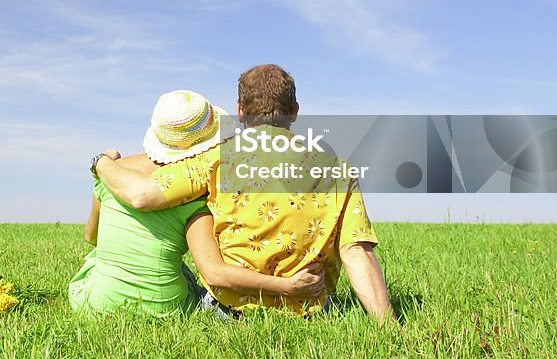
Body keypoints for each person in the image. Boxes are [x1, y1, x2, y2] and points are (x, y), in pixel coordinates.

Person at [93, 65, 394, 321]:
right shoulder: (338, 170)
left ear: (239, 112)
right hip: (310, 310)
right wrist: (389, 328)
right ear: (294, 111)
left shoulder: (217, 159)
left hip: (233, 312)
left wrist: (102, 163)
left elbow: (142, 195)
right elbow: (357, 252)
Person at [70, 90, 326, 316]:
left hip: (94, 305)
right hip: (168, 309)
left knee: (96, 260)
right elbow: (214, 273)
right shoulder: (196, 195)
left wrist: (103, 161)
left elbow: (91, 236)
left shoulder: (110, 176)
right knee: (188, 276)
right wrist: (288, 286)